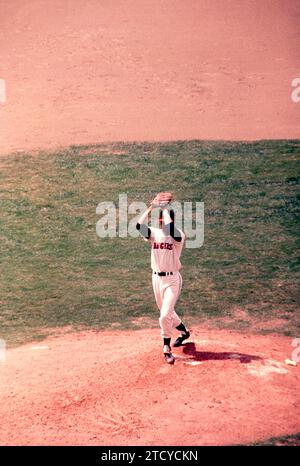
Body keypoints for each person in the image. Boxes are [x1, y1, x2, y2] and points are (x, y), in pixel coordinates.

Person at [136, 200, 190, 364]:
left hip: (172, 279)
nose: (163, 223)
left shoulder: (178, 236)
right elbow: (138, 226)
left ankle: (166, 348)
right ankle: (184, 332)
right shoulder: (154, 233)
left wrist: (165, 208)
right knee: (166, 313)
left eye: (165, 221)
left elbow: (171, 228)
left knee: (164, 314)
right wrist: (151, 208)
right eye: (160, 221)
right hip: (156, 279)